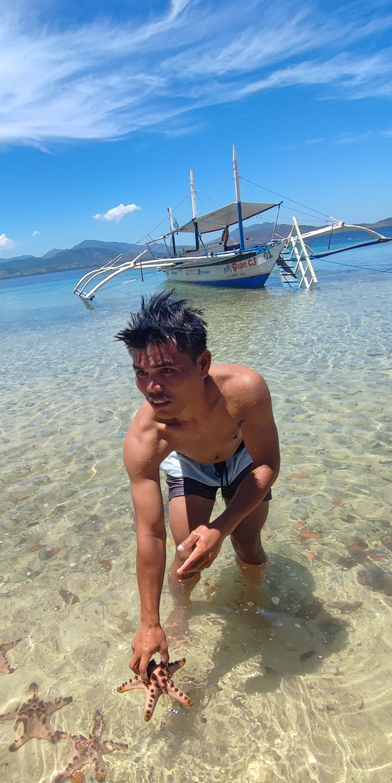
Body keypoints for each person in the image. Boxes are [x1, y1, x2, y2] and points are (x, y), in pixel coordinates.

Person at [115, 290, 280, 682]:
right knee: (187, 555)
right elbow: (149, 532)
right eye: (142, 373)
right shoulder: (146, 436)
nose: (153, 387)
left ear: (203, 363)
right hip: (190, 465)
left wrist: (221, 529)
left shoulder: (244, 390)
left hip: (242, 460)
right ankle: (178, 612)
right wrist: (148, 620)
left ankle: (253, 602)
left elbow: (268, 464)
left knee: (247, 543)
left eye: (168, 371)